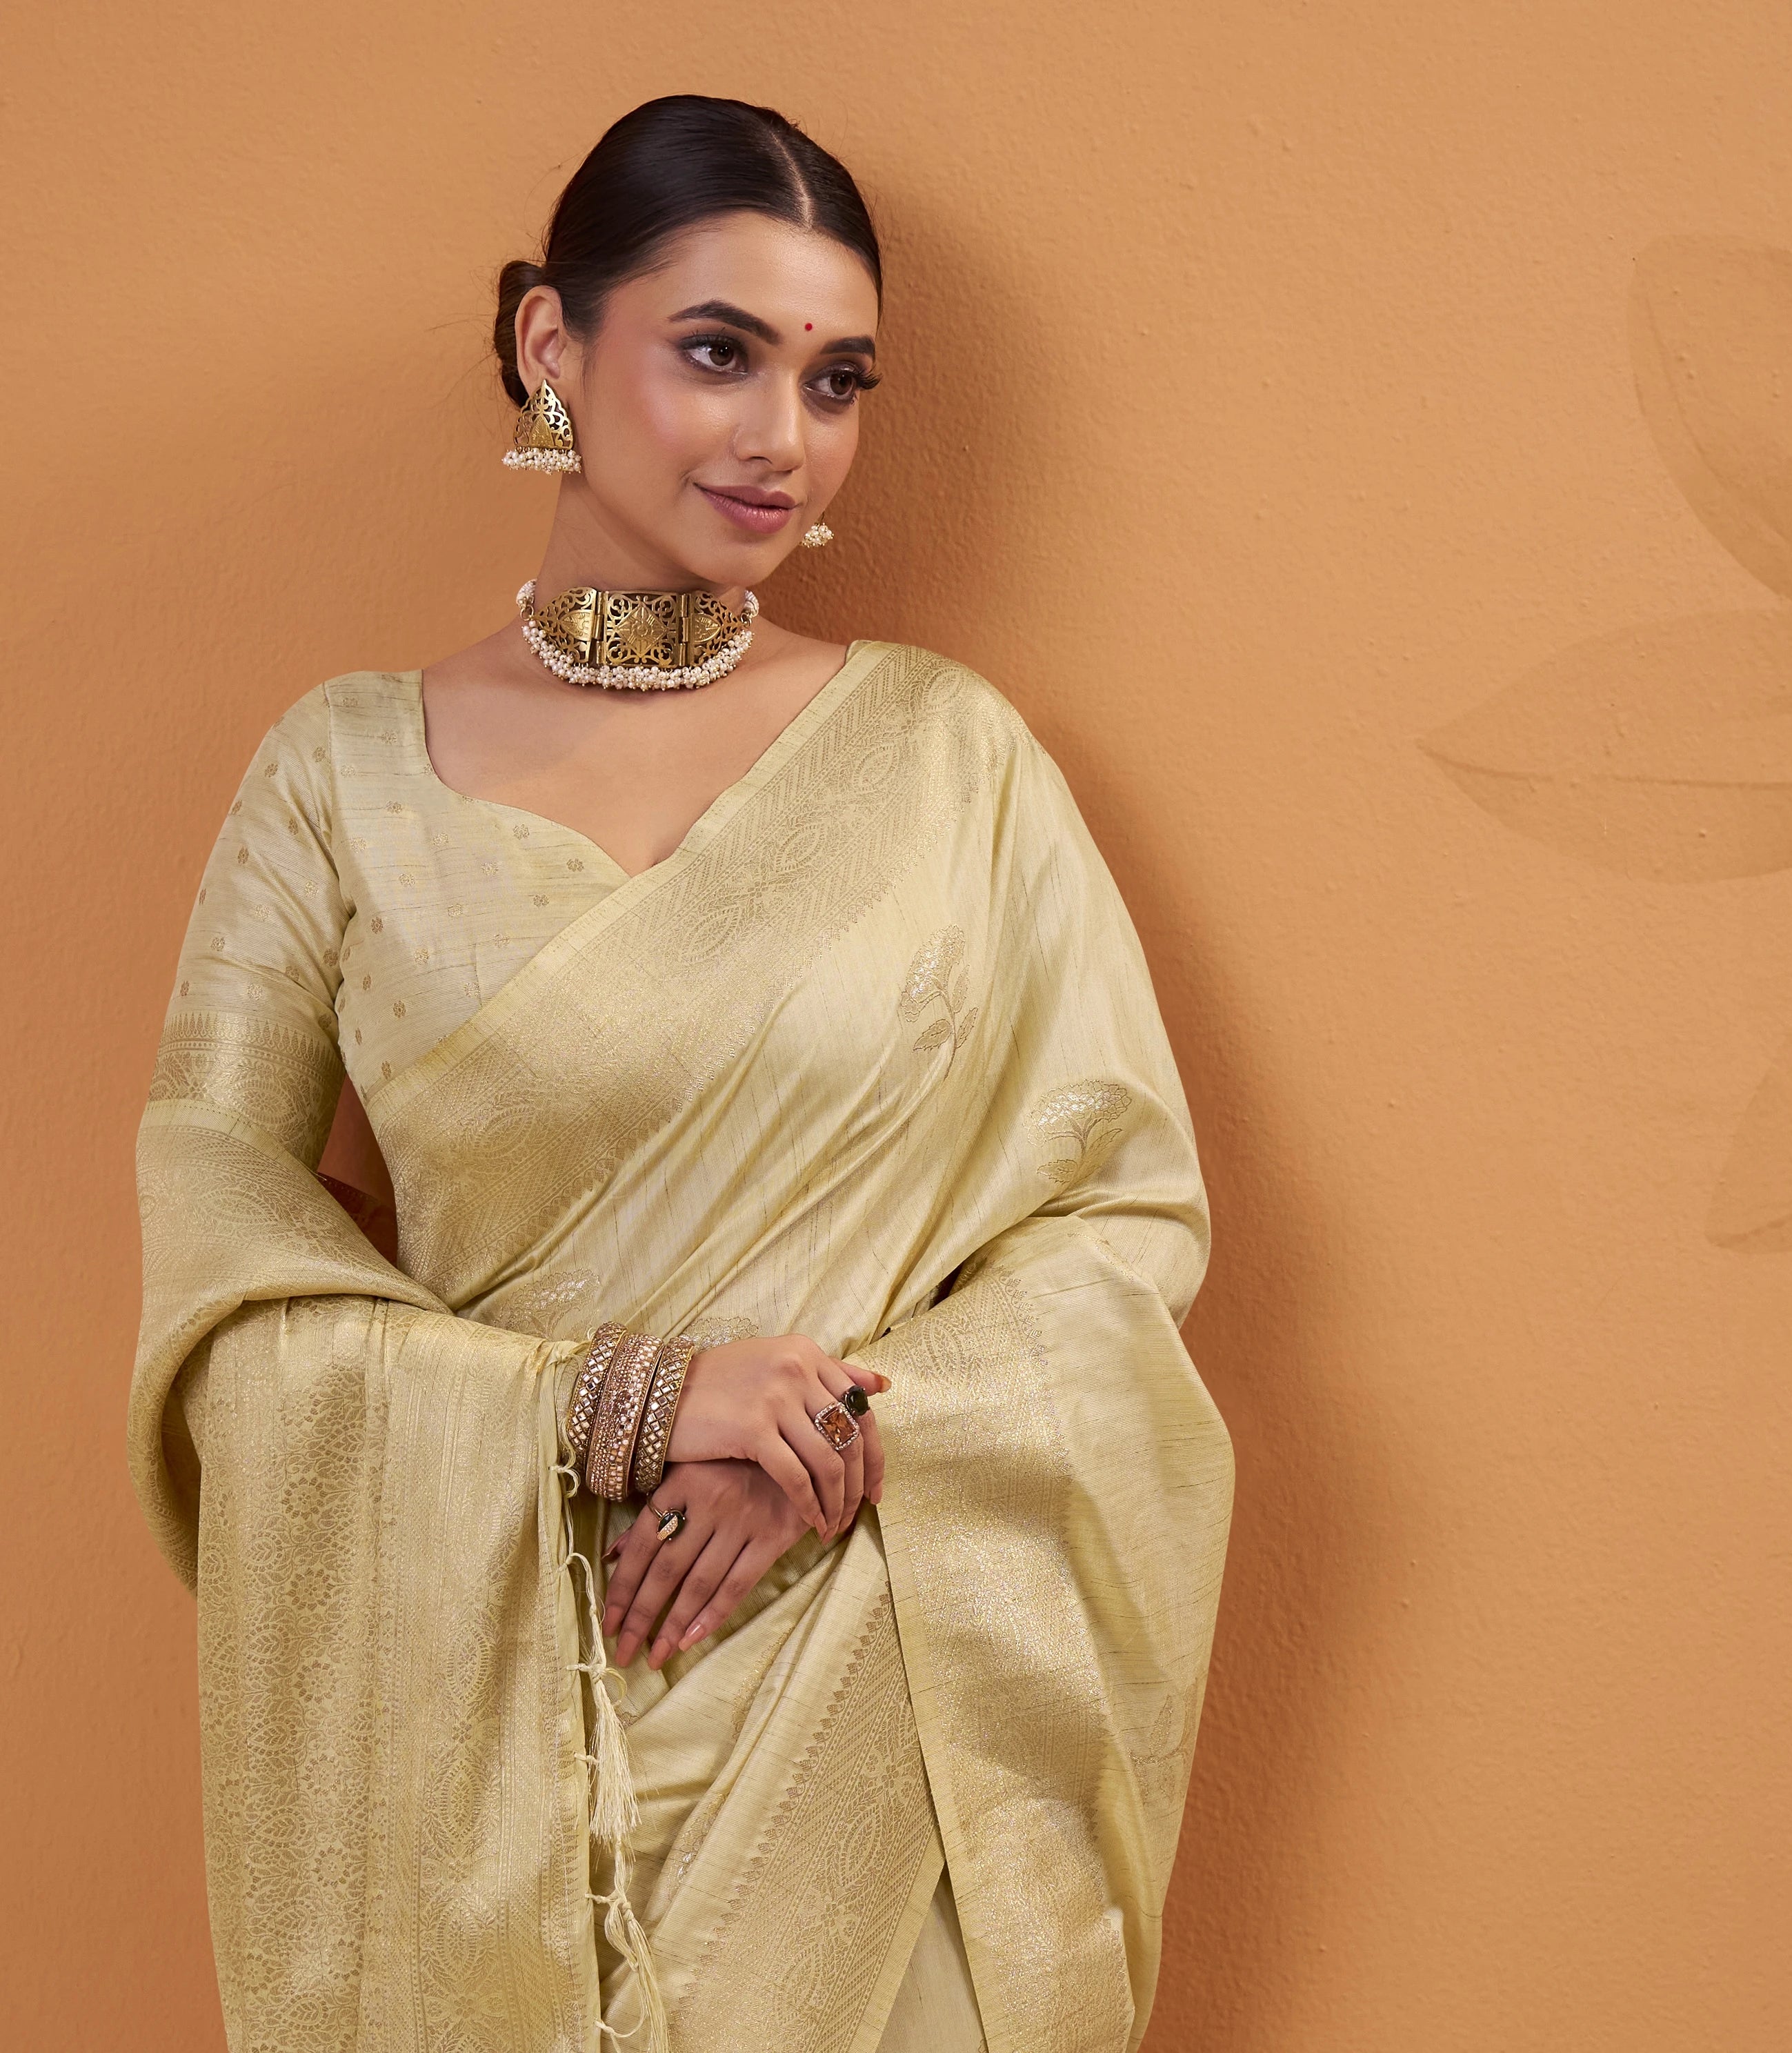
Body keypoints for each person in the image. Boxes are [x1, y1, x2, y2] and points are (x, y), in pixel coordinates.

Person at [127, 93, 1233, 2053]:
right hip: (475, 1723)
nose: (783, 435)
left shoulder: (950, 761)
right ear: (551, 345)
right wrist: (618, 1406)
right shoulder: (340, 777)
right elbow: (225, 1255)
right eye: (719, 352)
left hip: (870, 1698)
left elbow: (1117, 1220)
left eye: (836, 379)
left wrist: (825, 1442)